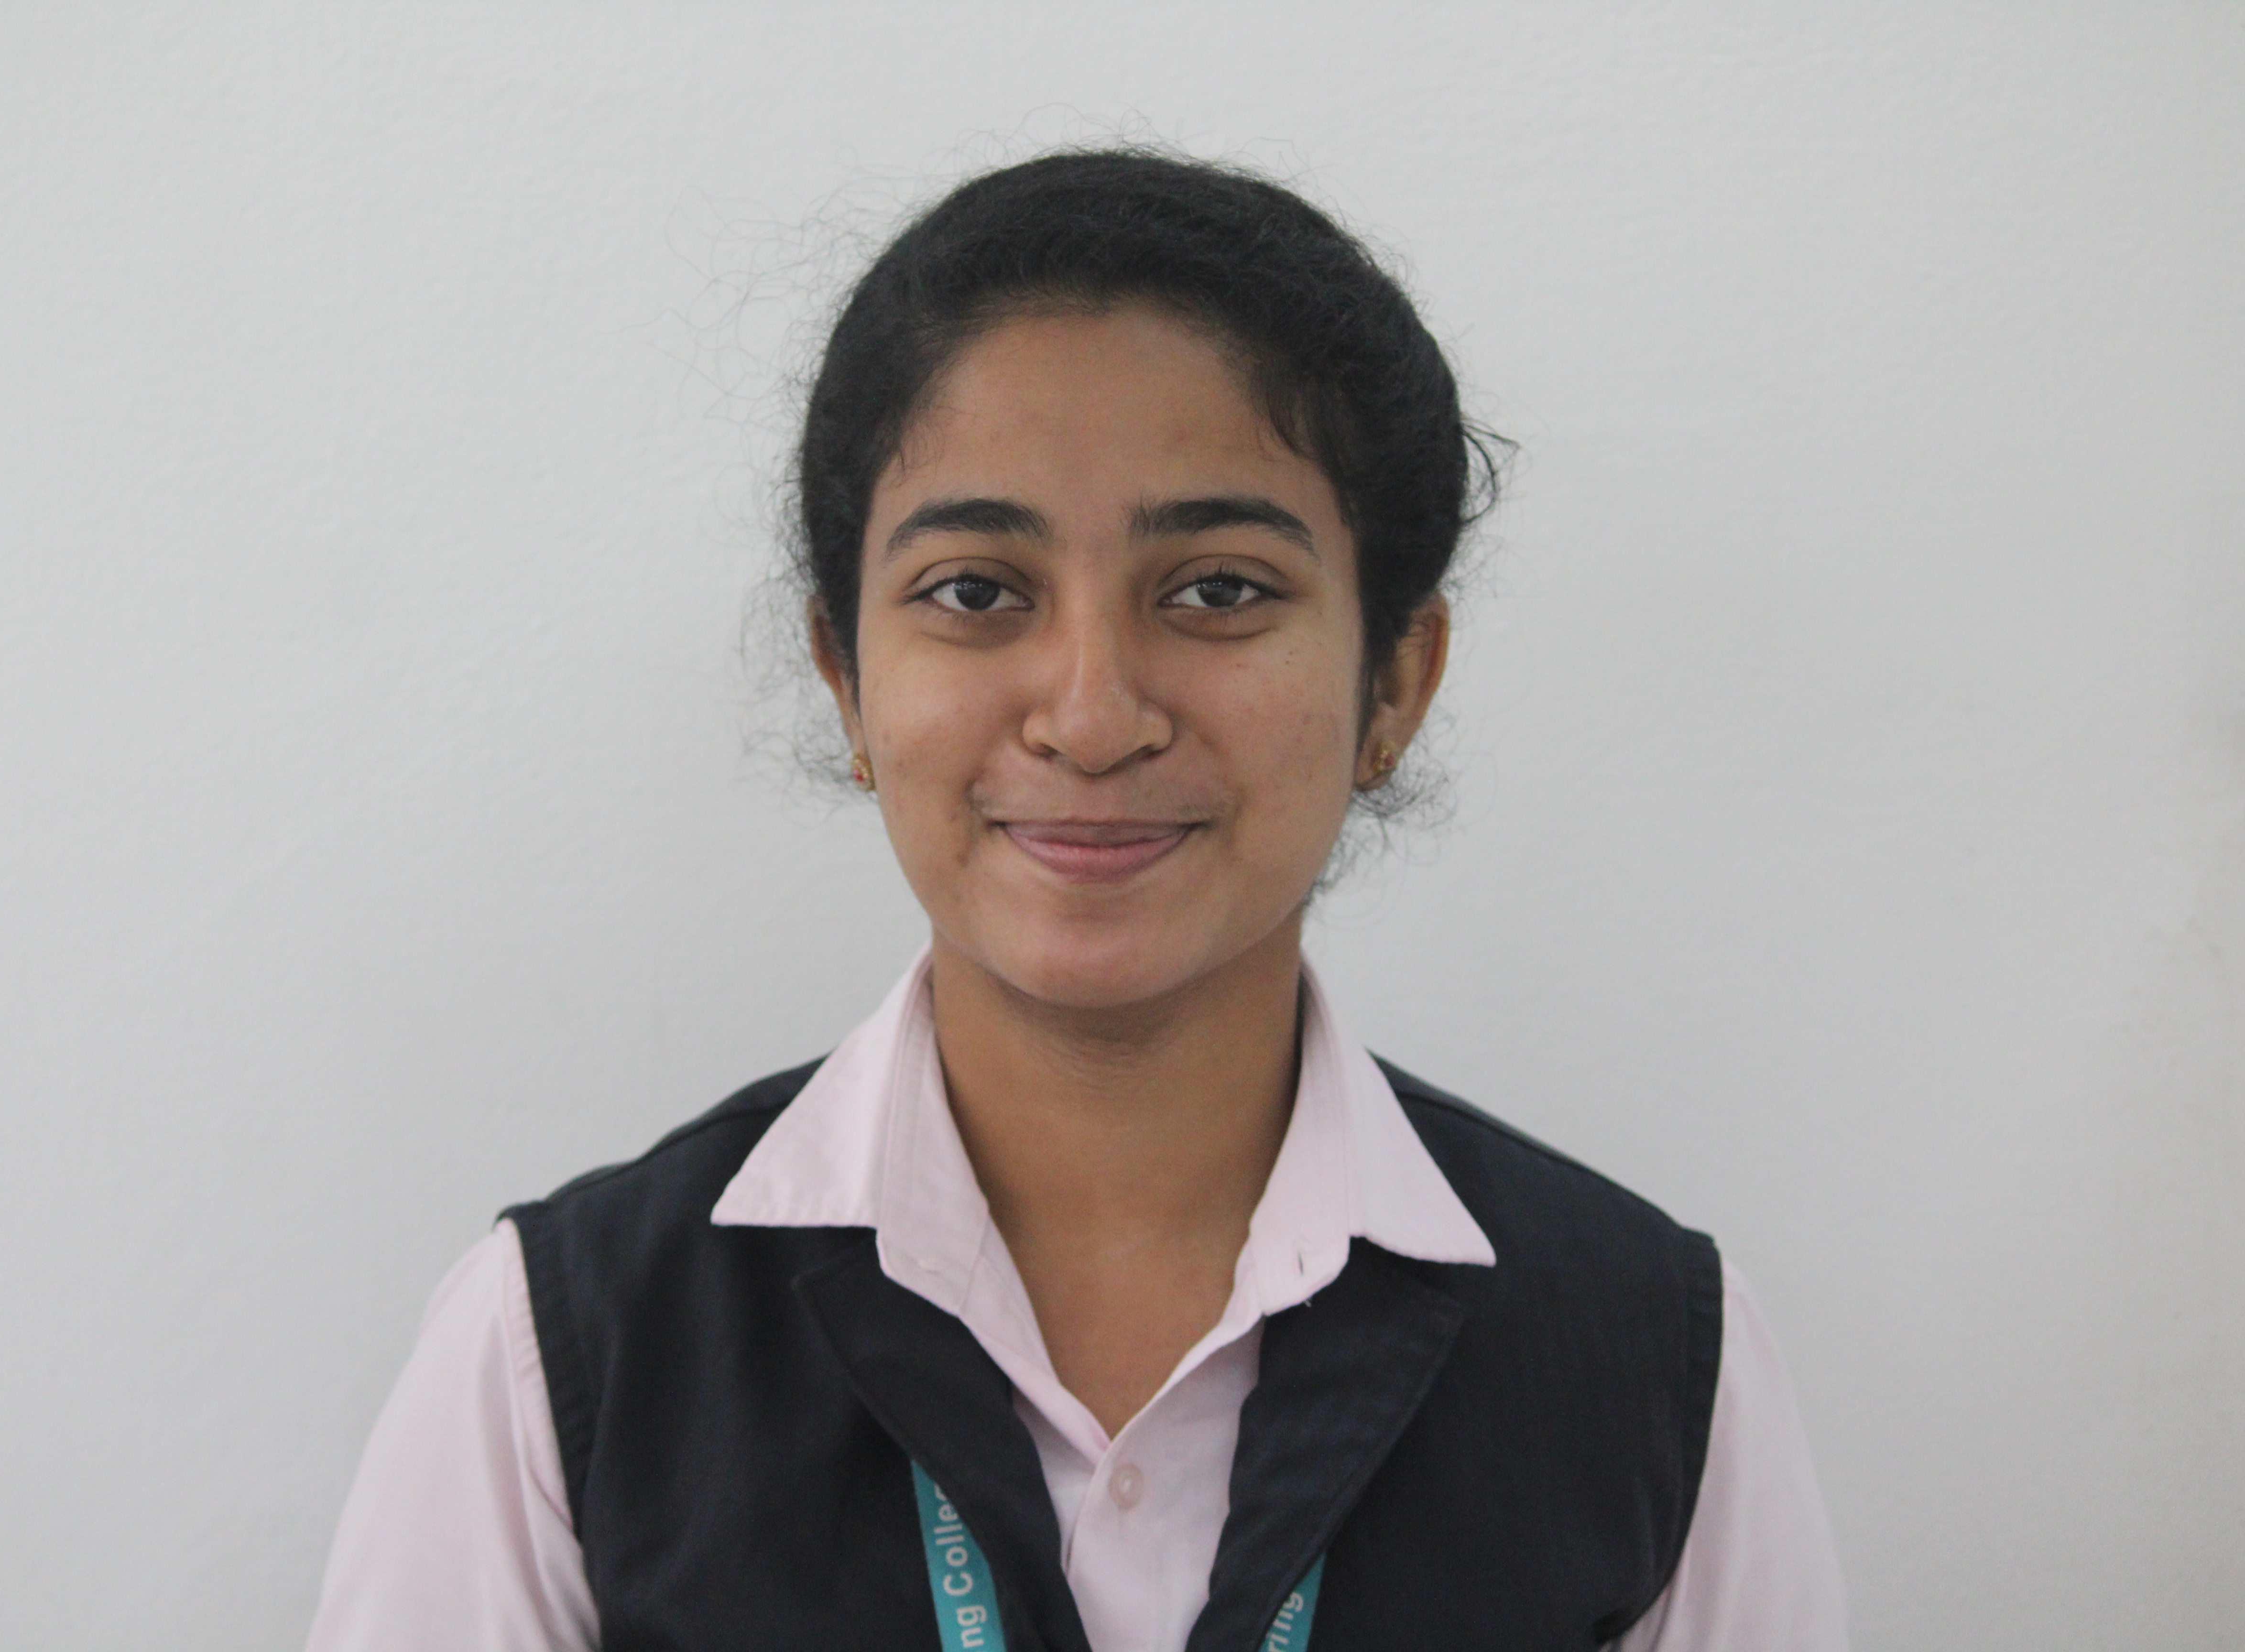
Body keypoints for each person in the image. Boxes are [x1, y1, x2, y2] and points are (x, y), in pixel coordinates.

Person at [305, 149, 1846, 1652]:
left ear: (1394, 682)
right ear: (846, 678)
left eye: (1220, 591)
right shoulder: (562, 1355)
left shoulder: (1654, 1361)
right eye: (976, 592)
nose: (1094, 716)